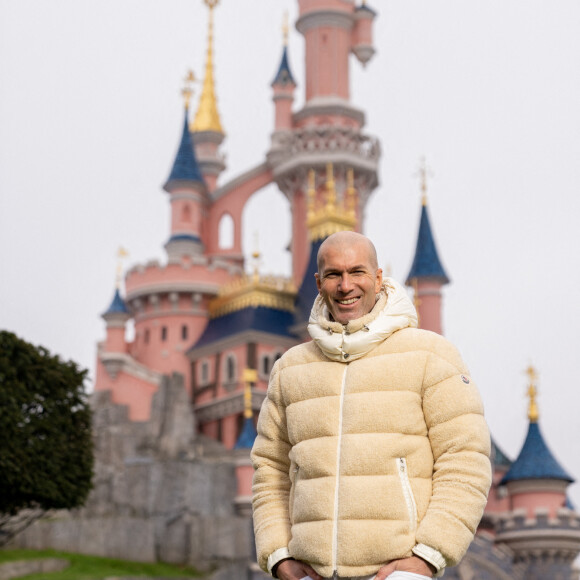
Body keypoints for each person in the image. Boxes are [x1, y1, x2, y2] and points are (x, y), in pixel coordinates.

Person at [251, 231, 491, 580]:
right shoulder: (290, 368)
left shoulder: (431, 354)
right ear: (319, 283)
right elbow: (269, 471)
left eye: (357, 272)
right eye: (334, 274)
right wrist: (278, 555)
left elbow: (466, 460)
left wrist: (427, 557)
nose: (346, 285)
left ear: (378, 278)